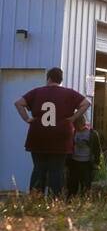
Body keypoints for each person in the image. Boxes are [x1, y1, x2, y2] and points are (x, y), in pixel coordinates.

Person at [14, 67, 90, 197]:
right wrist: (73, 118)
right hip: (61, 136)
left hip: (38, 135)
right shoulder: (69, 93)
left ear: (48, 78)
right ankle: (56, 201)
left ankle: (35, 199)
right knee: (57, 170)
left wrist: (27, 119)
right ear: (61, 80)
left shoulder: (37, 92)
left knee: (39, 169)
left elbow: (18, 103)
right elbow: (86, 103)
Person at [67, 115, 103, 198]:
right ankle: (70, 202)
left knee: (86, 186)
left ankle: (84, 203)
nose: (77, 126)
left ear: (82, 122)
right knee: (72, 186)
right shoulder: (73, 132)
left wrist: (96, 163)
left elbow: (97, 149)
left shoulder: (92, 134)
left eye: (78, 123)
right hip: (74, 162)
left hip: (87, 163)